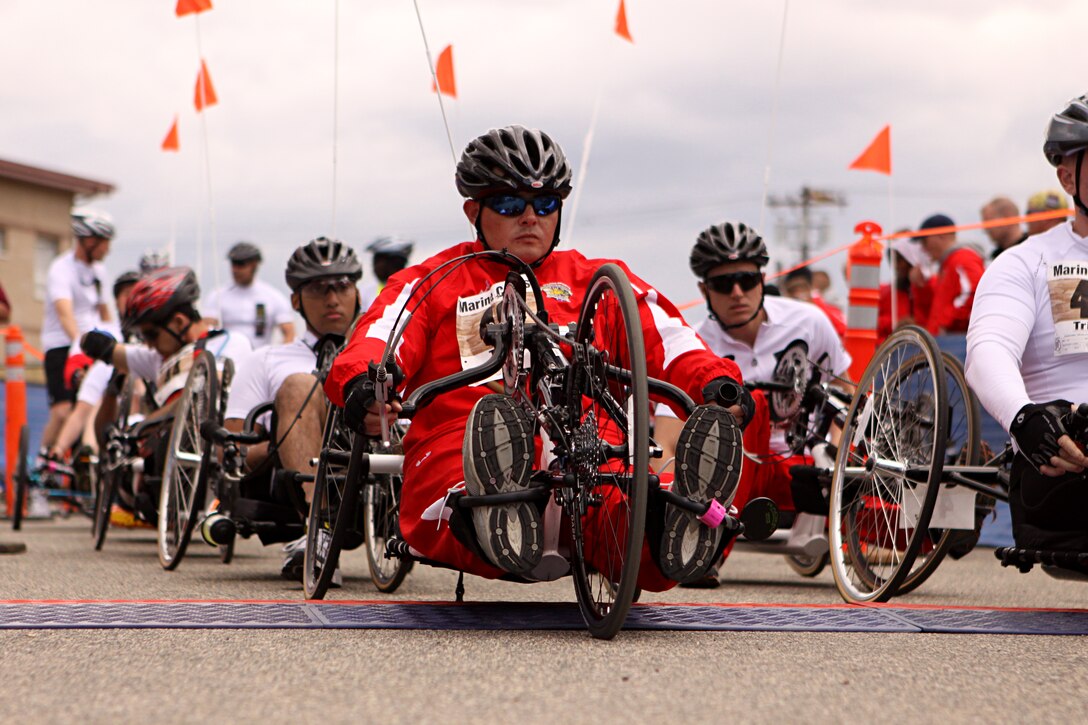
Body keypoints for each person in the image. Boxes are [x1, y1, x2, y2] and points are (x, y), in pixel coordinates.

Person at [325, 125, 749, 589]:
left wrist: (715, 382)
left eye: (545, 205)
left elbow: (670, 338)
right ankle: (496, 509)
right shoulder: (432, 279)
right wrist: (364, 386)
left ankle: (679, 523)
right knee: (467, 482)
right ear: (475, 211)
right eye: (510, 205)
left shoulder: (599, 280)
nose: (530, 217)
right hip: (463, 436)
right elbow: (379, 339)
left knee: (630, 507)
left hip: (588, 445)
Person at [654, 222, 852, 585]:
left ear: (762, 280)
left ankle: (937, 527)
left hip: (804, 466)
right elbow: (665, 438)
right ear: (703, 289)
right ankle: (707, 552)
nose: (736, 292)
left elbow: (845, 401)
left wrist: (836, 460)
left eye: (746, 280)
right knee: (751, 402)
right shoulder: (694, 345)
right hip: (733, 474)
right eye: (721, 284)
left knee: (892, 516)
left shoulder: (809, 322)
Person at [965, 94, 1088, 553]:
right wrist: (1023, 418)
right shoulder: (1027, 262)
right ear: (1067, 175)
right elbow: (988, 351)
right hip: (1063, 460)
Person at [222, 237, 364, 582]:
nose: (332, 299)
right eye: (318, 290)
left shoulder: (383, 351)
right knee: (301, 384)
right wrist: (281, 441)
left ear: (357, 294)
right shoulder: (266, 359)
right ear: (296, 301)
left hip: (373, 473)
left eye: (342, 287)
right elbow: (234, 450)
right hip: (288, 483)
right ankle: (320, 527)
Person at [79, 267, 252, 522]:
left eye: (149, 334)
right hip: (161, 456)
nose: (147, 343)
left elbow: (196, 397)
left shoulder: (229, 342)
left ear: (180, 322)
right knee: (120, 434)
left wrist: (143, 429)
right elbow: (114, 351)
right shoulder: (159, 355)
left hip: (211, 449)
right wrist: (98, 349)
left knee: (174, 406)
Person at [39, 209, 113, 454]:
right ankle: (42, 466)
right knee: (62, 412)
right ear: (89, 241)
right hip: (61, 345)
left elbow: (105, 313)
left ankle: (78, 467)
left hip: (89, 347)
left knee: (89, 407)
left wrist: (114, 343)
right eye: (104, 243)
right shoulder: (61, 268)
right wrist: (80, 345)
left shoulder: (99, 273)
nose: (108, 249)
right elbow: (64, 314)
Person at [48, 271, 139, 460]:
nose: (130, 299)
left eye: (135, 293)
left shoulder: (149, 332)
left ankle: (94, 449)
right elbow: (78, 356)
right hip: (106, 381)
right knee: (92, 395)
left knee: (122, 389)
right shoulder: (105, 329)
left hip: (135, 386)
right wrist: (78, 374)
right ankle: (62, 452)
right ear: (116, 301)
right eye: (126, 294)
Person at [203, 241, 296, 348]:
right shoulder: (217, 295)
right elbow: (206, 329)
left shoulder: (273, 297)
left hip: (261, 358)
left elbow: (290, 334)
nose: (235, 270)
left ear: (254, 265)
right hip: (227, 359)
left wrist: (278, 356)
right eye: (233, 264)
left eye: (241, 265)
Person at [910, 213, 985, 336]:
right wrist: (921, 286)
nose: (923, 248)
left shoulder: (963, 258)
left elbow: (973, 292)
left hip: (955, 343)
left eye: (924, 240)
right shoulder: (948, 265)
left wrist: (945, 324)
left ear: (941, 235)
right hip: (948, 342)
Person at [782, 265, 847, 338]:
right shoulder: (783, 312)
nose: (798, 293)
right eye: (793, 290)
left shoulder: (826, 308)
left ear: (810, 287)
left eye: (802, 287)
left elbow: (842, 330)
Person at [359, 236, 414, 311]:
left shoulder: (413, 290)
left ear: (395, 263)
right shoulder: (366, 292)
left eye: (378, 261)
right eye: (375, 262)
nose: (375, 266)